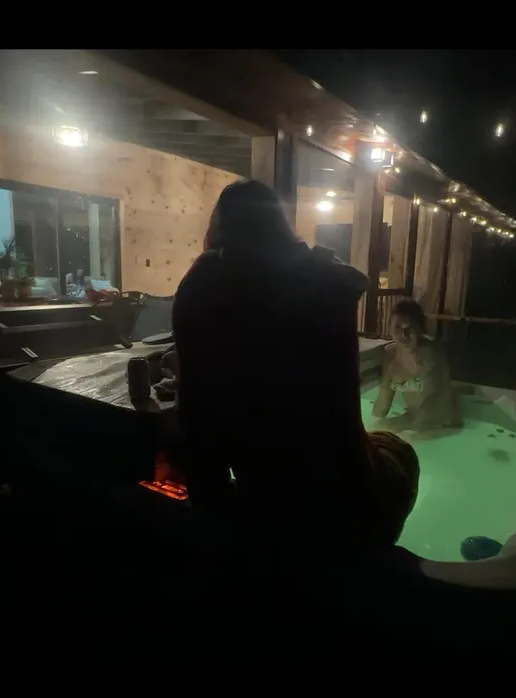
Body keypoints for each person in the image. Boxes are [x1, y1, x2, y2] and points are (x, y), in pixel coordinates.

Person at [172, 179, 419, 561]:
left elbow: (196, 424)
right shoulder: (326, 282)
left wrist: (216, 517)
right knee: (401, 452)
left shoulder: (203, 289)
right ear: (280, 227)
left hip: (270, 500)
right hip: (354, 500)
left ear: (219, 231)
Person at [372, 298, 461, 432]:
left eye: (411, 327)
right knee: (375, 430)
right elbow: (382, 404)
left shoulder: (431, 354)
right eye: (398, 327)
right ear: (389, 328)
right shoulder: (391, 354)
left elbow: (431, 408)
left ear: (420, 329)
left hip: (443, 423)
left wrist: (405, 429)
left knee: (403, 438)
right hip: (415, 418)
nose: (404, 334)